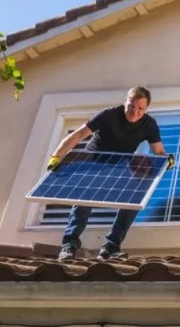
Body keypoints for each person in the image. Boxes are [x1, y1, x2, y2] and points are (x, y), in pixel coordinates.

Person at [46, 86, 172, 261]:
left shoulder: (148, 124)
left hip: (119, 165)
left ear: (146, 108)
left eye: (140, 109)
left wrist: (166, 161)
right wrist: (56, 157)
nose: (135, 112)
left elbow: (158, 151)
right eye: (131, 106)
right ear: (125, 102)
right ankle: (69, 245)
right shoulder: (108, 115)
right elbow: (77, 136)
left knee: (134, 198)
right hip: (94, 161)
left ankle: (111, 247)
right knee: (84, 199)